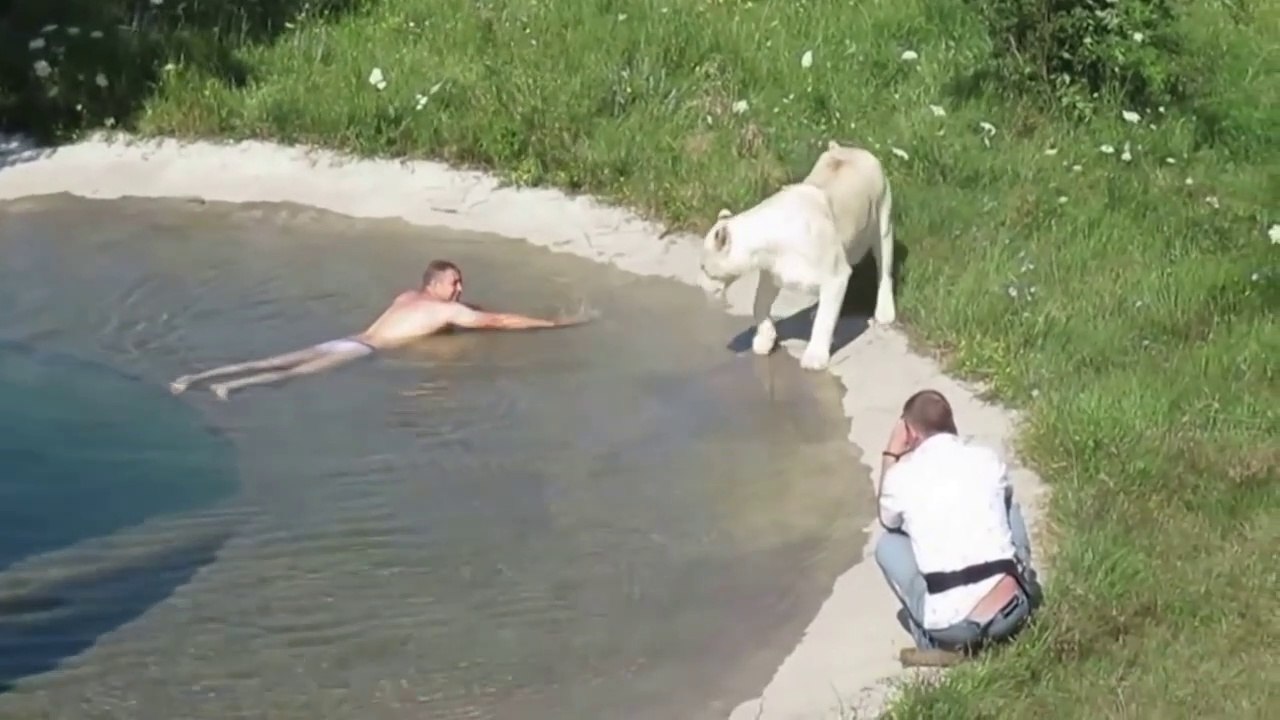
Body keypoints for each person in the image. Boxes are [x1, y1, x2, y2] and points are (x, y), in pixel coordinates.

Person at [169, 259, 593, 400]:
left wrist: (465, 310)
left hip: (349, 338)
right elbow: (498, 322)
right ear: (436, 284)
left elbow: (467, 313)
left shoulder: (407, 297)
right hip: (363, 352)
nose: (460, 288)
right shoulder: (448, 313)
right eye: (454, 283)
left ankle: (195, 377)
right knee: (291, 375)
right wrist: (554, 323)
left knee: (276, 359)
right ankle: (234, 390)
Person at [874, 389, 1043, 665]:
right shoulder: (986, 458)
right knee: (1006, 503)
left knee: (888, 545)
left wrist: (891, 454)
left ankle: (934, 642)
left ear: (910, 434)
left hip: (955, 625)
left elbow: (887, 519)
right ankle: (1024, 580)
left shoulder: (901, 478)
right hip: (1014, 606)